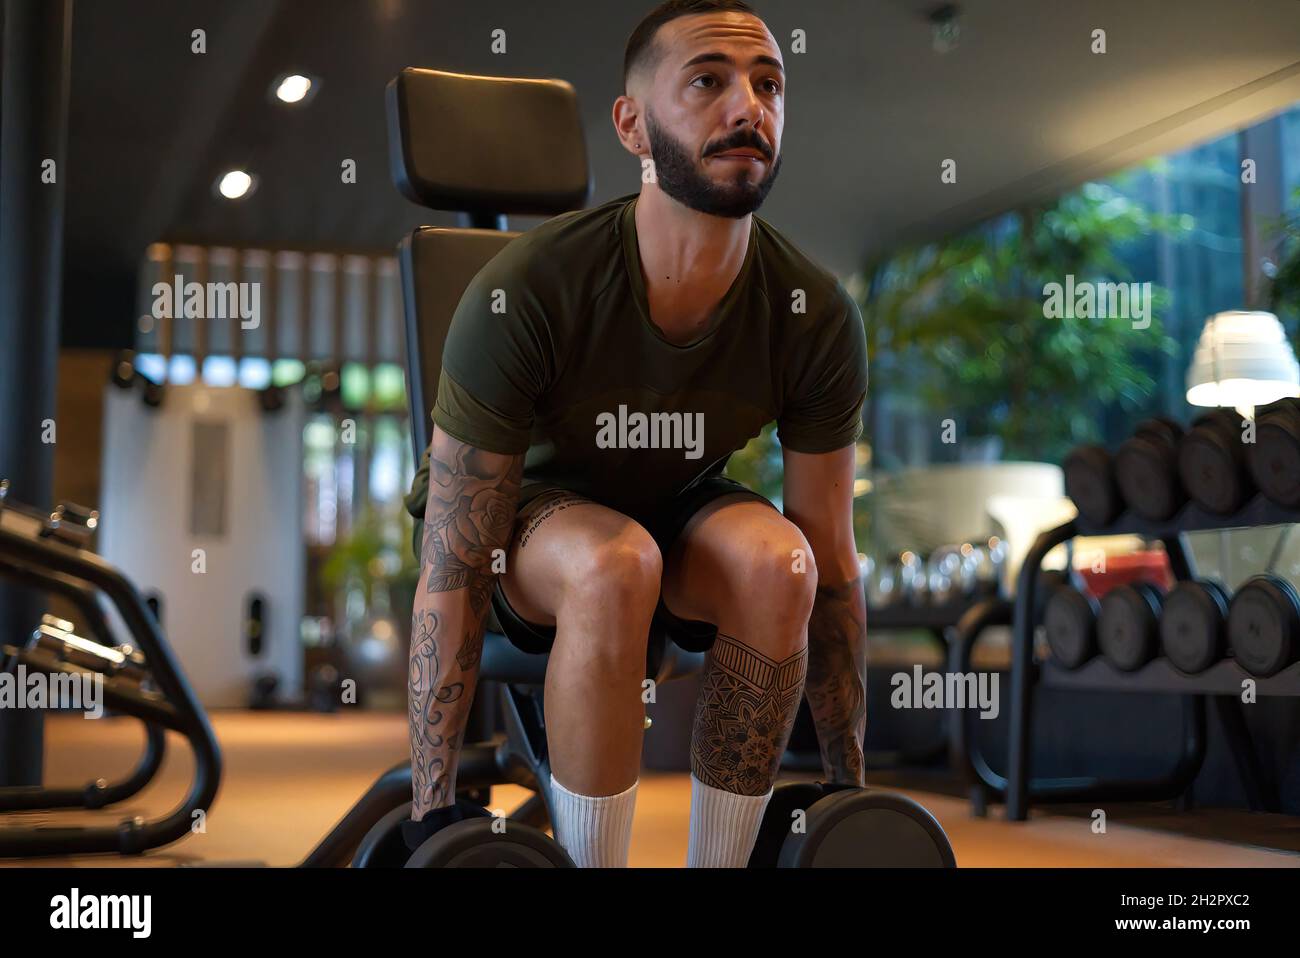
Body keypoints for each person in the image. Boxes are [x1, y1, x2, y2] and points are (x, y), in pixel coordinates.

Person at [402, 0, 868, 868]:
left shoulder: (812, 312)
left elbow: (831, 559)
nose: (748, 107)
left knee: (782, 562)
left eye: (768, 84)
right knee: (616, 566)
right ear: (633, 125)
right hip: (526, 518)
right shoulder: (531, 288)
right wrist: (434, 810)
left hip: (678, 501)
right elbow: (457, 560)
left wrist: (848, 793)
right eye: (707, 81)